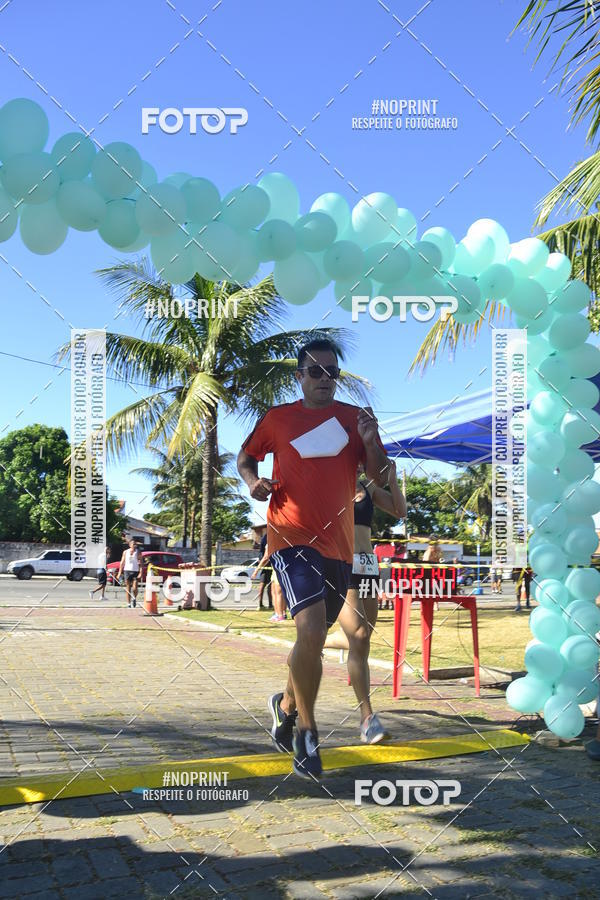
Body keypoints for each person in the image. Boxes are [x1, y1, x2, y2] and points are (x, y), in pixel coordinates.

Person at [237, 338, 390, 778]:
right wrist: (252, 481)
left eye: (332, 372)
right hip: (290, 537)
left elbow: (380, 478)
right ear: (299, 376)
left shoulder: (352, 419)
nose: (326, 379)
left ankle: (284, 706)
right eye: (317, 371)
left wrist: (370, 440)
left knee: (313, 641)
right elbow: (246, 456)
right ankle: (306, 733)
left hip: (339, 547)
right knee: (308, 629)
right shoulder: (278, 419)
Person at [324, 460, 406, 742]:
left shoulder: (367, 486)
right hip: (343, 563)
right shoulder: (327, 484)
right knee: (358, 635)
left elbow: (400, 511)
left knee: (364, 636)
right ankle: (368, 719)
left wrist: (392, 479)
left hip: (368, 564)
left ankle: (320, 641)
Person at [253, 538, 287, 622]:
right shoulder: (283, 540)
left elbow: (265, 557)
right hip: (279, 569)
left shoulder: (272, 542)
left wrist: (256, 570)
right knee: (277, 592)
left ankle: (280, 615)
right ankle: (280, 613)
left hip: (279, 569)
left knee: (277, 593)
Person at [118, 539, 141, 608]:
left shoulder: (138, 552)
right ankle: (128, 603)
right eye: (133, 544)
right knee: (128, 588)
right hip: (127, 571)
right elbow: (122, 562)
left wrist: (141, 572)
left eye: (135, 544)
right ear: (130, 545)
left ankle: (134, 598)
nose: (134, 545)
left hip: (135, 571)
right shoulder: (125, 552)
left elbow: (141, 563)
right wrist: (119, 572)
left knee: (135, 587)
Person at [254, 531, 273, 610]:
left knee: (267, 586)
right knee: (266, 586)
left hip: (267, 563)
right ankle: (264, 604)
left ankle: (267, 604)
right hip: (269, 563)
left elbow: (261, 551)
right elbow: (263, 552)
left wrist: (260, 560)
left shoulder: (265, 536)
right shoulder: (268, 537)